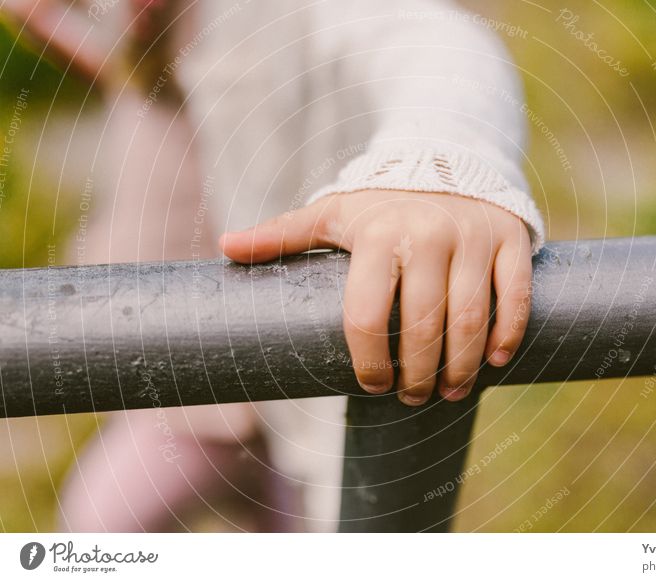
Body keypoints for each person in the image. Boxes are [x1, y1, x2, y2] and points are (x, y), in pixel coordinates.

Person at [3, 0, 545, 532]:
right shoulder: (150, 31)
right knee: (99, 524)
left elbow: (425, 38)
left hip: (288, 374)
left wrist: (433, 169)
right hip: (185, 381)